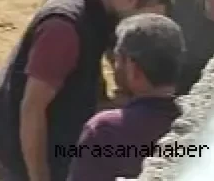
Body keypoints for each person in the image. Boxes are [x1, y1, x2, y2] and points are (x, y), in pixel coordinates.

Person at [0, 0, 173, 181]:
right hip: (18, 150)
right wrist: (40, 178)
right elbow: (32, 109)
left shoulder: (96, 15)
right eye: (143, 19)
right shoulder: (64, 28)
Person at [66, 14, 183, 181]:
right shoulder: (200, 124)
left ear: (133, 69)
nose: (114, 68)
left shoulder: (105, 131)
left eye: (117, 60)